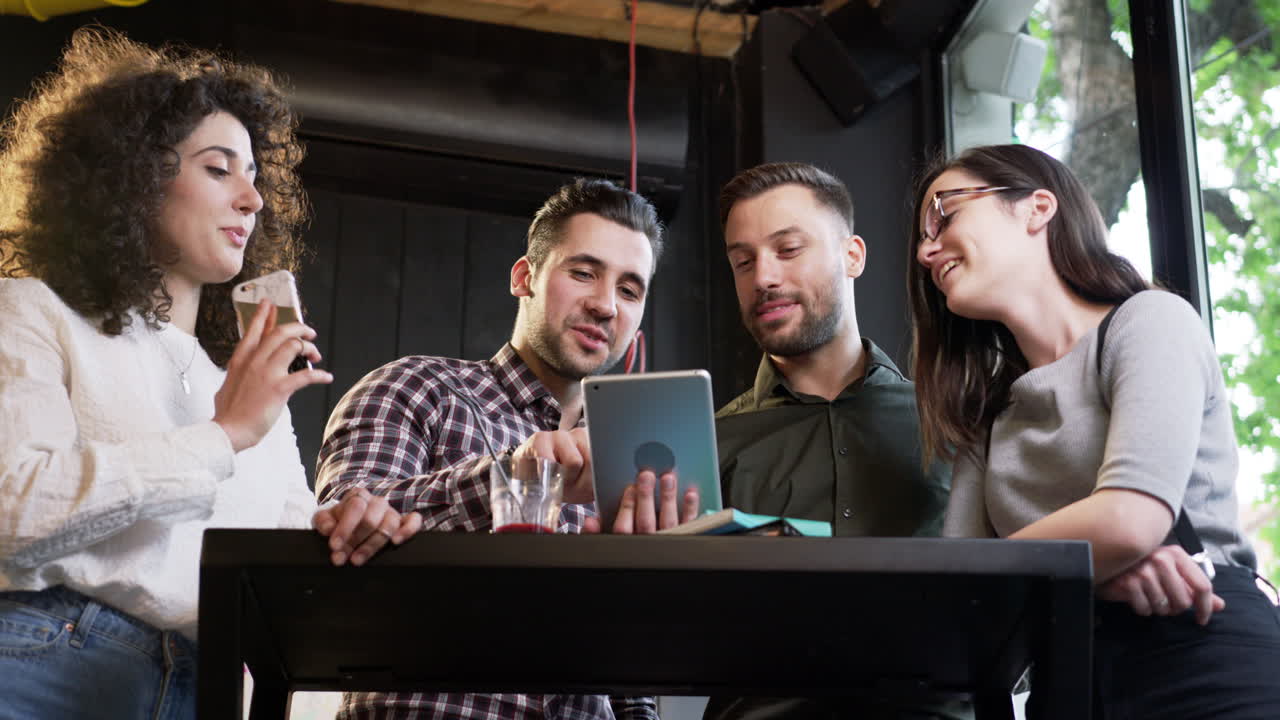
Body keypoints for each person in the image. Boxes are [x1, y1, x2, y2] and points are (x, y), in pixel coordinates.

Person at [0, 28, 418, 720]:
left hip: (212, 685)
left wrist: (340, 528)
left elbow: (279, 549)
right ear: (130, 178)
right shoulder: (33, 313)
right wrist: (221, 435)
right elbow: (14, 510)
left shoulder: (249, 384)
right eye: (219, 169)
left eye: (255, 176)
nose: (251, 201)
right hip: (53, 658)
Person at [909, 143, 1280, 719]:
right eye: (922, 236)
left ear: (1037, 208)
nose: (927, 249)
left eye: (944, 213)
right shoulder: (988, 419)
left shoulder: (1149, 321)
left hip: (1205, 650)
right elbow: (959, 598)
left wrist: (1052, 569)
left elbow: (1130, 518)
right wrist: (1093, 575)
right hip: (1069, 686)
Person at [316, 177, 689, 720]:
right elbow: (349, 527)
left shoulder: (628, 460)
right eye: (583, 272)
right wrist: (516, 479)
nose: (607, 305)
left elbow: (630, 680)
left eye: (630, 290)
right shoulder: (418, 388)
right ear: (525, 277)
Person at [705, 162, 966, 720]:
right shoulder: (711, 439)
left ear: (853, 256)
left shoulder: (955, 419)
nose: (763, 278)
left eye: (788, 249)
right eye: (742, 262)